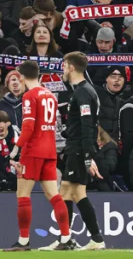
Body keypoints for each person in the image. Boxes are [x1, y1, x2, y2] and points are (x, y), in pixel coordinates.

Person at [7, 61, 71, 251]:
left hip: (33, 151)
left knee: (23, 195)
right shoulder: (50, 95)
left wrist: (16, 148)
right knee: (54, 195)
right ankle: (66, 237)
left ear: (21, 76)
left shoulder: (29, 96)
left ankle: (24, 241)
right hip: (50, 151)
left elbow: (28, 127)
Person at [48, 52, 104, 251]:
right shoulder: (84, 91)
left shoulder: (82, 92)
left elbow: (88, 125)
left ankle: (80, 239)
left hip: (79, 149)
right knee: (70, 193)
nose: (62, 70)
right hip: (77, 148)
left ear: (71, 67)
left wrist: (88, 155)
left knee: (73, 193)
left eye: (64, 66)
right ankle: (73, 239)